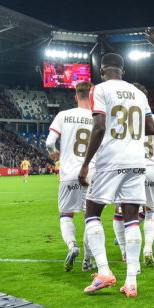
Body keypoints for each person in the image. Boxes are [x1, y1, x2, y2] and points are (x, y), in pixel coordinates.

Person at [78, 53, 154, 298]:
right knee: (131, 219)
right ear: (124, 70)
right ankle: (131, 281)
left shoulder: (99, 89)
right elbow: (151, 128)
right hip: (137, 161)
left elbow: (99, 127)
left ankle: (104, 271)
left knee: (92, 214)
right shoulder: (139, 93)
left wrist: (85, 164)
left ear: (102, 71)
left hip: (111, 160)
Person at [46, 80, 96, 272]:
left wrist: (54, 153)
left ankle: (72, 245)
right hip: (91, 173)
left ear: (76, 97)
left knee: (66, 215)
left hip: (68, 173)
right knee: (91, 218)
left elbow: (49, 142)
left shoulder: (63, 115)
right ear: (92, 96)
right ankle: (88, 261)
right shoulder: (99, 117)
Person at [133, 83, 154, 266]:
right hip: (152, 168)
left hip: (131, 168)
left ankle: (126, 250)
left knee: (127, 211)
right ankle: (147, 248)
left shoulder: (125, 117)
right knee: (150, 210)